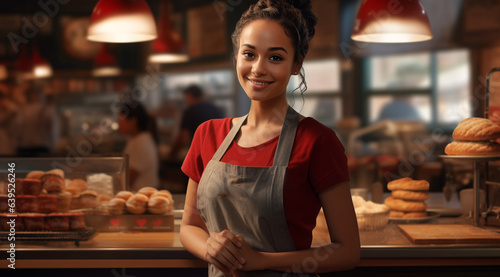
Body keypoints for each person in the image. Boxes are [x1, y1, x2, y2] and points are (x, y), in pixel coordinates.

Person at [180, 1, 360, 276]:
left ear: (296, 64)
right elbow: (189, 226)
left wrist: (263, 261)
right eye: (249, 54)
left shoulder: (318, 141)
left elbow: (347, 251)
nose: (258, 69)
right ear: (236, 57)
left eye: (275, 57)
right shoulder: (208, 134)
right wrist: (210, 246)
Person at [169, 84, 224, 159]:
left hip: (202, 154)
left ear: (189, 96)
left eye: (186, 97)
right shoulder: (215, 109)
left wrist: (172, 153)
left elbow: (183, 137)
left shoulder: (191, 111)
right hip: (220, 152)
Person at [118, 101, 159, 192]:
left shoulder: (142, 143)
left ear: (133, 121)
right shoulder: (135, 139)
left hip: (142, 198)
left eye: (121, 118)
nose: (118, 122)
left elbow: (127, 179)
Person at [16, 84, 60, 157]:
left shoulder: (22, 110)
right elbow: (53, 130)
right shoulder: (47, 109)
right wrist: (53, 145)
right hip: (41, 147)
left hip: (24, 148)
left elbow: (16, 130)